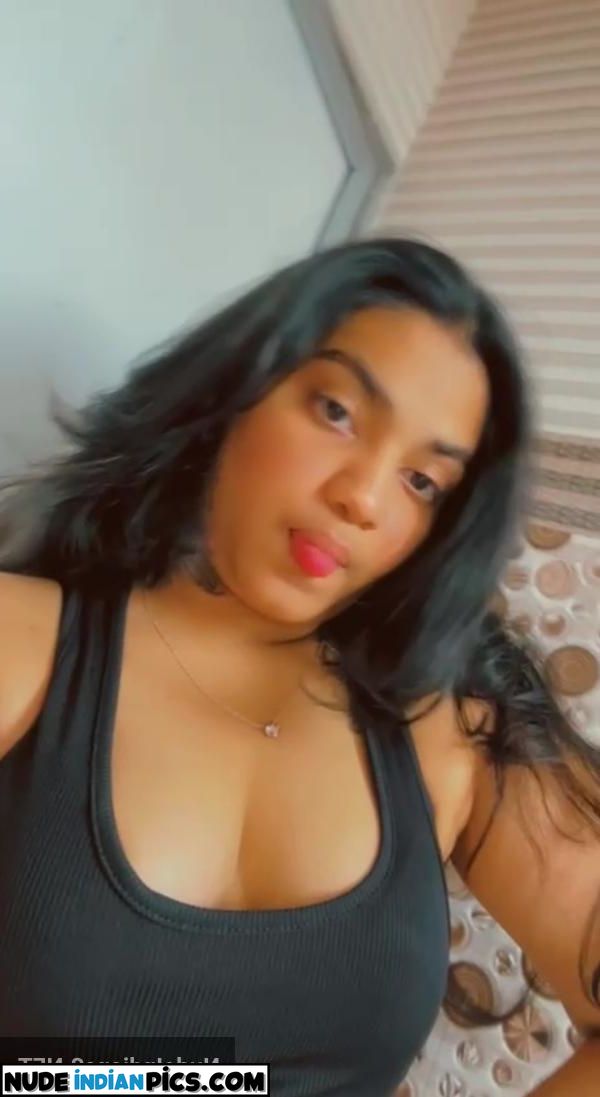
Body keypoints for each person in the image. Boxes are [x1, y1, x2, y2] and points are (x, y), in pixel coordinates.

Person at [0, 238, 598, 1095]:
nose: (364, 496)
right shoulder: (26, 644)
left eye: (423, 482)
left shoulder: (451, 725)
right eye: (337, 411)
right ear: (235, 387)